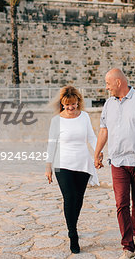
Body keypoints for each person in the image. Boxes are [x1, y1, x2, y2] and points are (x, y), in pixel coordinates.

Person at [94, 68, 135, 259]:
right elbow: (104, 131)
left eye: (108, 83)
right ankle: (127, 246)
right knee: (121, 203)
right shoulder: (108, 105)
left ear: (118, 82)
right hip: (118, 162)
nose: (106, 87)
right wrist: (97, 153)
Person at [45, 85, 102, 254]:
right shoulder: (56, 120)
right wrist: (48, 167)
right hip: (62, 164)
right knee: (69, 197)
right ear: (62, 104)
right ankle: (73, 234)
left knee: (78, 199)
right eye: (67, 105)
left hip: (82, 163)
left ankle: (73, 225)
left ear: (78, 102)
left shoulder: (84, 117)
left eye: (73, 104)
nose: (70, 108)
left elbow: (91, 136)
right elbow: (52, 144)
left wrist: (98, 154)